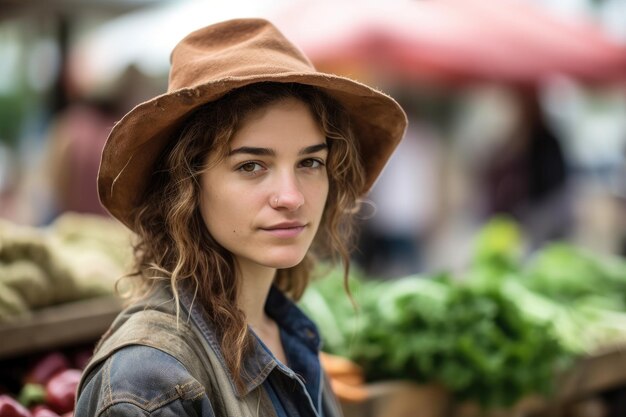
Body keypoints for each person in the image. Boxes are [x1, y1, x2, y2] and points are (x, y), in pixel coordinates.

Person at [74, 18, 406, 417]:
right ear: (185, 186)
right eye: (251, 166)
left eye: (310, 162)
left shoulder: (286, 332)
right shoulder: (150, 381)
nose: (291, 196)